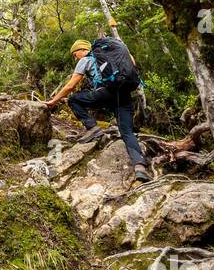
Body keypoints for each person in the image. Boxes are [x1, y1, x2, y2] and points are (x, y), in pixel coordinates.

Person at [44, 38, 151, 182]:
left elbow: (70, 86)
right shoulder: (114, 54)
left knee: (73, 100)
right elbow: (132, 64)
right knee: (127, 131)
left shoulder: (86, 59)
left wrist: (54, 101)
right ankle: (139, 167)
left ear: (81, 50)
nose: (76, 59)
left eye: (75, 55)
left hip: (105, 93)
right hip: (123, 94)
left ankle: (92, 128)